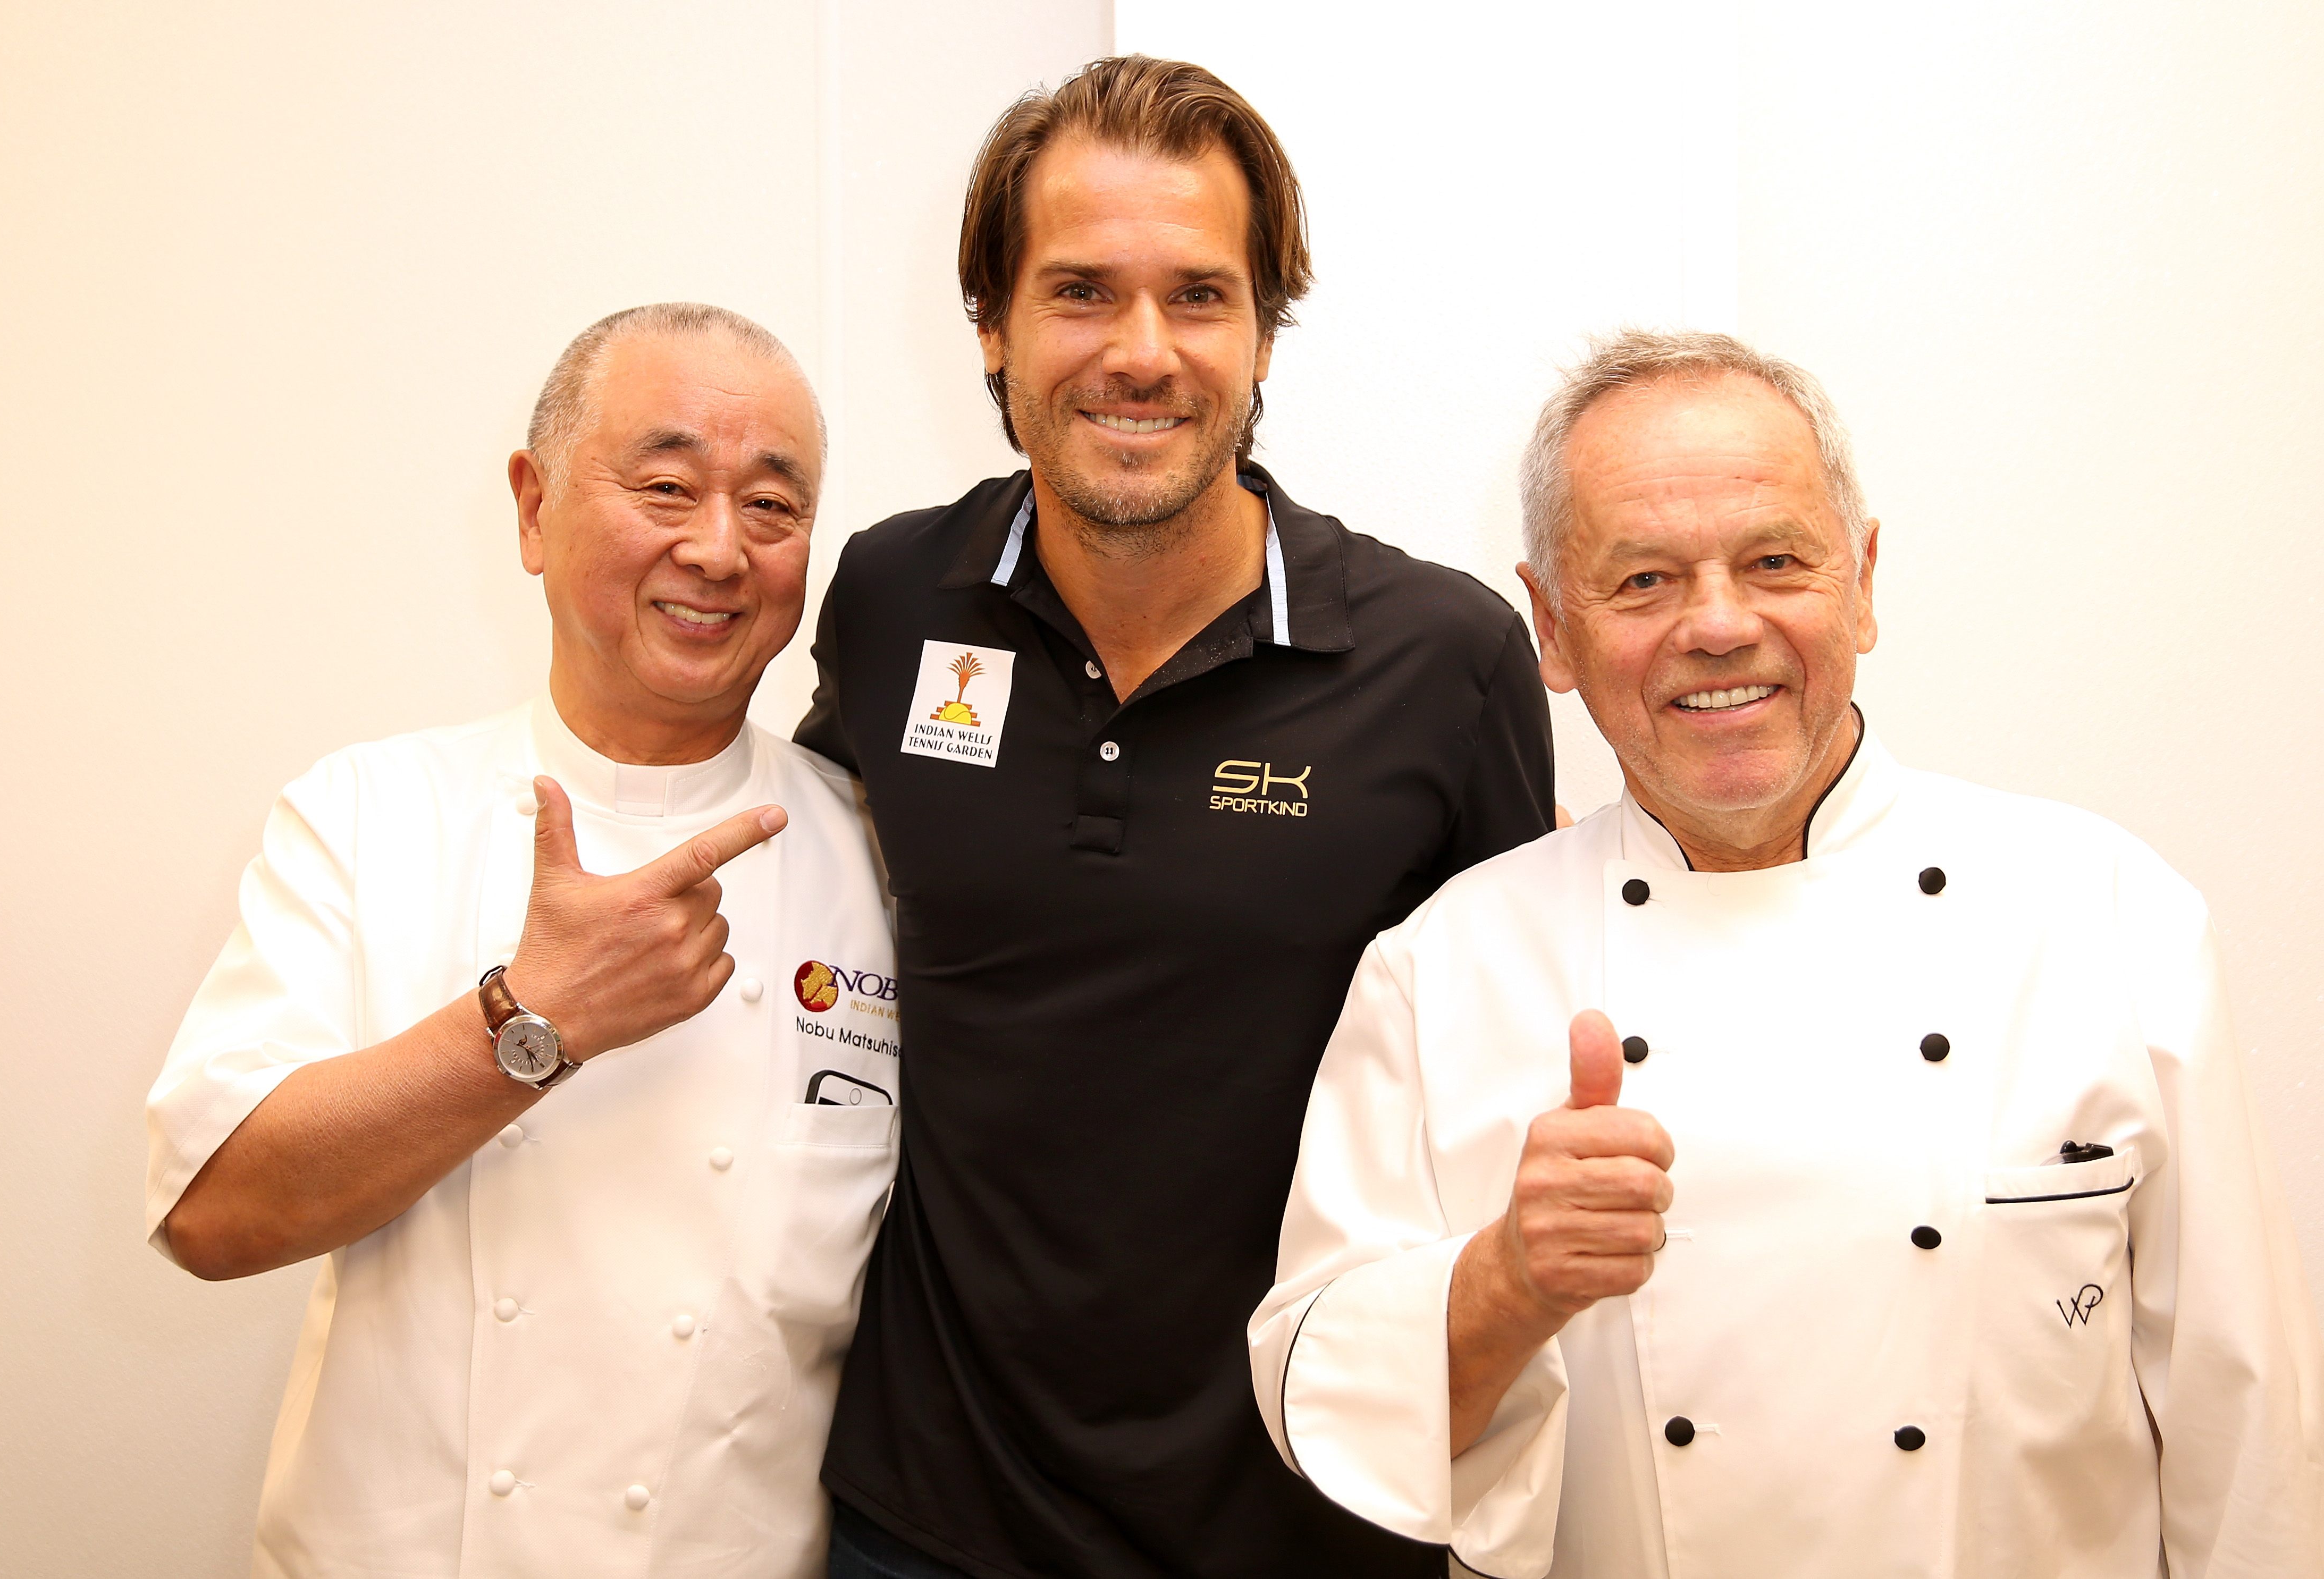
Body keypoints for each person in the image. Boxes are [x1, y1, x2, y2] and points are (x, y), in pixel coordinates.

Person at [1248, 328, 2324, 1576]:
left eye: (1773, 561)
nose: (1716, 626)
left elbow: (2239, 1416)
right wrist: (1504, 1281)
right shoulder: (1441, 971)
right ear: (1549, 626)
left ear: (1861, 582)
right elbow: (1311, 1387)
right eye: (1641, 580)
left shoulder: (2103, 914)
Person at [794, 54, 1557, 1579]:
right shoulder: (890, 598)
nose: (1141, 352)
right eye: (1080, 290)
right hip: (932, 1523)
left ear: (1264, 335)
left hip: (1308, 1516)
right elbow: (810, 934)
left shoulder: (1446, 661)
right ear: (995, 328)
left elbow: (1497, 1095)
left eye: (1199, 296)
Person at [145, 303, 899, 1578]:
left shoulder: (880, 856)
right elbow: (215, 1216)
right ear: (533, 506)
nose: (718, 548)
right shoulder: (369, 813)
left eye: (771, 508)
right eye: (665, 485)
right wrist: (531, 1024)